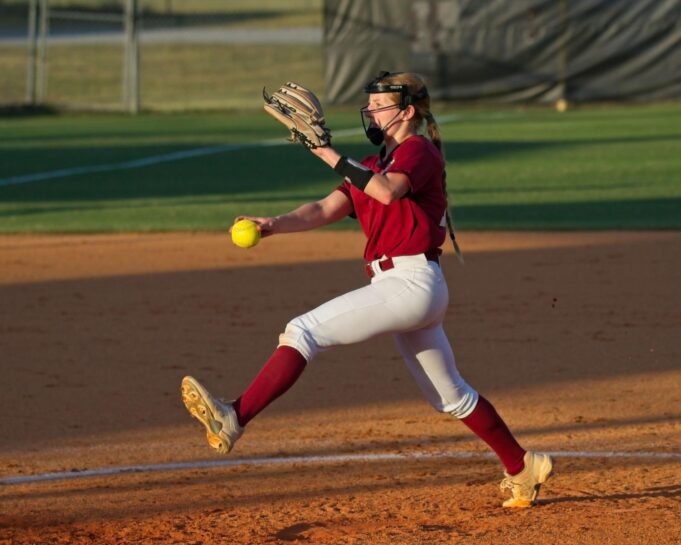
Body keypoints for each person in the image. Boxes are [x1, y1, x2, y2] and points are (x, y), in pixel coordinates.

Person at [181, 71, 554, 508]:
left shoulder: (419, 151)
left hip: (410, 282)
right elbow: (325, 207)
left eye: (380, 105)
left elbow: (389, 194)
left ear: (408, 111)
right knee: (451, 396)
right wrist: (273, 225)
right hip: (408, 287)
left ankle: (234, 417)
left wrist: (324, 150)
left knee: (303, 331)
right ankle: (521, 466)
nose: (371, 111)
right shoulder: (372, 164)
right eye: (371, 105)